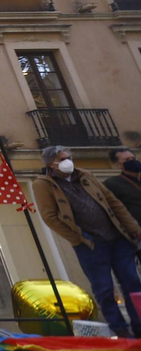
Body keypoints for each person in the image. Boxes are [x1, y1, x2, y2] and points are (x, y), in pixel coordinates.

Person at [32, 145, 141, 338]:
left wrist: (133, 228)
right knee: (104, 288)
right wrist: (78, 239)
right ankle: (120, 329)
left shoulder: (86, 175)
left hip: (117, 238)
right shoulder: (43, 185)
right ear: (51, 164)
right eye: (62, 159)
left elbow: (113, 202)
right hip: (90, 244)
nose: (68, 161)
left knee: (132, 282)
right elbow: (50, 217)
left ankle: (139, 325)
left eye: (69, 157)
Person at [101, 147, 141, 231]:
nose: (132, 161)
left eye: (133, 158)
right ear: (118, 164)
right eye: (127, 160)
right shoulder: (111, 184)